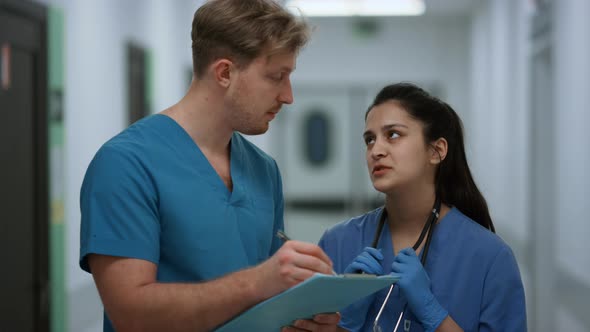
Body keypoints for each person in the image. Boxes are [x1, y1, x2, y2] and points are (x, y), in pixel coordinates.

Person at [79, 1, 341, 331]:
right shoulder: (126, 164)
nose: (288, 96)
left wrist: (304, 314)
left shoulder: (263, 169)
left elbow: (271, 297)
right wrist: (256, 283)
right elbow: (131, 314)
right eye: (277, 77)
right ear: (225, 73)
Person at [319, 83, 527, 332]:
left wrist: (432, 313)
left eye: (393, 135)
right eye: (369, 139)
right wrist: (344, 320)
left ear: (437, 151)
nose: (376, 150)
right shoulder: (337, 244)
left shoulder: (490, 257)